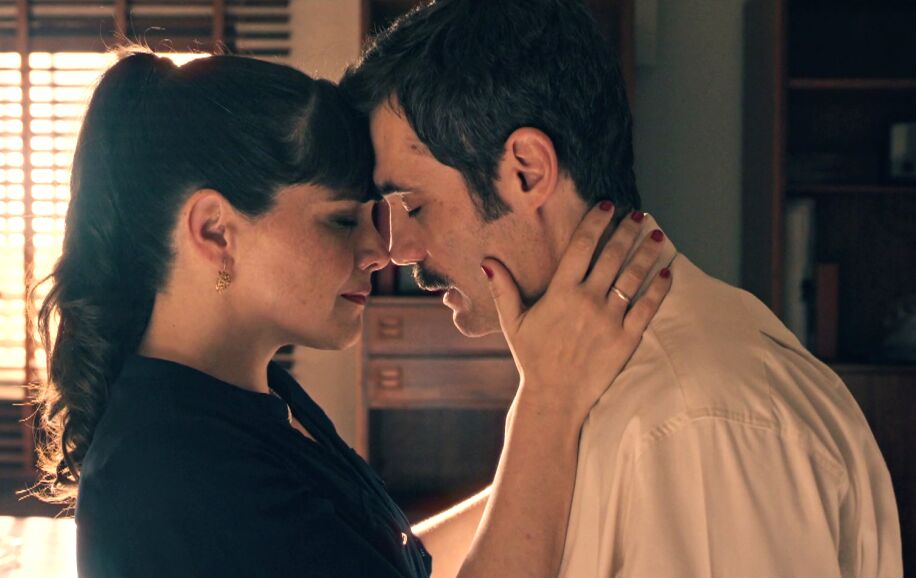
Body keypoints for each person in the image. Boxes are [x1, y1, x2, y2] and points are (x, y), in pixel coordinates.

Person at [30, 47, 672, 577]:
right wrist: (548, 402)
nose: (381, 251)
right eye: (341, 221)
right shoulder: (172, 467)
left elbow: (386, 562)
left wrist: (573, 449)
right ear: (215, 231)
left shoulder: (257, 394)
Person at [340, 0, 904, 577]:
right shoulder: (599, 390)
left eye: (414, 206)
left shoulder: (695, 419)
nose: (400, 251)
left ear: (528, 171)